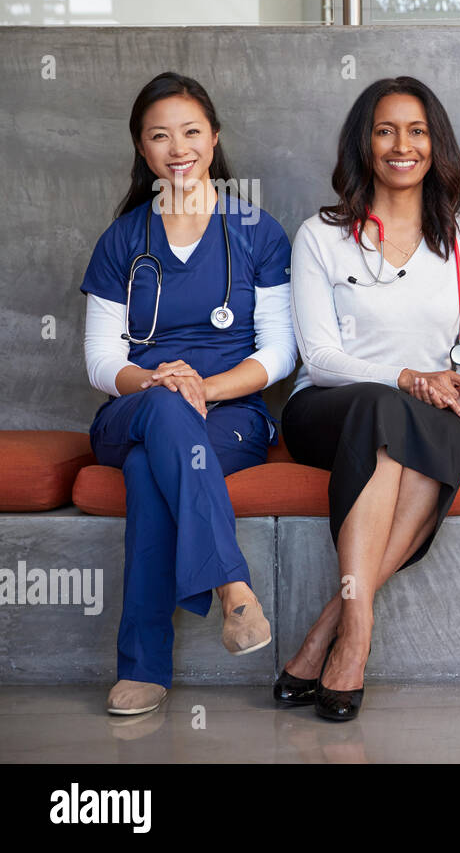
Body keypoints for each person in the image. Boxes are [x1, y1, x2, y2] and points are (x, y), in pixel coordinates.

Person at [278, 77, 460, 721]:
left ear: (437, 145)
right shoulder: (321, 235)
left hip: (430, 413)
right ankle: (359, 641)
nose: (402, 145)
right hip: (327, 411)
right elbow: (317, 359)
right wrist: (407, 377)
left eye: (417, 130)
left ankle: (329, 631)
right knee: (385, 408)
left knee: (415, 426)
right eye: (385, 130)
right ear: (364, 144)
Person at [81, 72, 296, 716]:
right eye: (159, 136)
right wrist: (157, 382)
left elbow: (281, 353)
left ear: (215, 139)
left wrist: (203, 386)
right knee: (163, 416)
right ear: (142, 152)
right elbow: (99, 361)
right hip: (134, 408)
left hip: (231, 418)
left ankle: (144, 668)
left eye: (191, 132)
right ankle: (233, 587)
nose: (178, 148)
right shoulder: (122, 240)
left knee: (151, 472)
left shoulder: (258, 231)